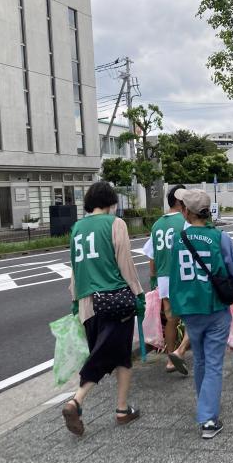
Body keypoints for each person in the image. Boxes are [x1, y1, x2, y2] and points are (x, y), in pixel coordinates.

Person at [169, 188, 233, 439]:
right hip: (215, 307)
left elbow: (172, 275)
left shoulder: (178, 239)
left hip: (189, 308)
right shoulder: (220, 238)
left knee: (199, 360)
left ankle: (204, 405)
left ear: (186, 212)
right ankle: (208, 419)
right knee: (214, 364)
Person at [62, 181, 145, 436]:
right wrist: (138, 293)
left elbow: (75, 267)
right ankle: (77, 400)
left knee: (115, 353)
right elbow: (125, 263)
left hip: (87, 303)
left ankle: (122, 408)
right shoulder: (115, 224)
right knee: (108, 354)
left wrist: (75, 299)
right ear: (111, 202)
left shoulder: (77, 228)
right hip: (114, 299)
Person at [143, 184, 191, 375]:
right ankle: (181, 352)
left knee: (171, 319)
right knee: (192, 316)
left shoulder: (157, 225)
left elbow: (151, 255)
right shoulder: (186, 220)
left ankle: (171, 359)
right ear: (180, 201)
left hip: (164, 279)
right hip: (184, 276)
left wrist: (153, 278)